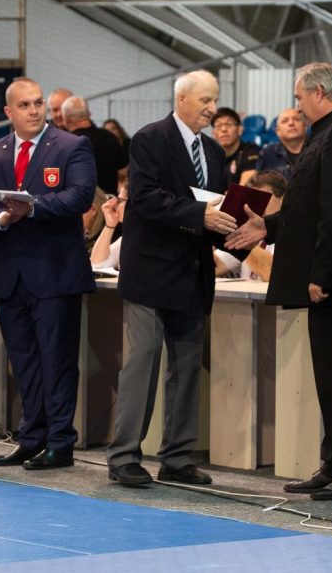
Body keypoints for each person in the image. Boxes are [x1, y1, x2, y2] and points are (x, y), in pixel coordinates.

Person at [227, 63, 332, 501]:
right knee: (329, 379)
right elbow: (311, 207)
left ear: (318, 92)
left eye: (298, 97)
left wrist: (322, 275)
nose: (296, 106)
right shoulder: (331, 130)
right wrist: (268, 226)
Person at [107, 70, 236, 487]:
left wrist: (238, 226)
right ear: (181, 99)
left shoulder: (213, 152)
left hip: (193, 273)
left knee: (186, 368)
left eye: (214, 100)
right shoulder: (150, 138)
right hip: (150, 272)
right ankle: (124, 457)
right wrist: (200, 215)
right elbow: (145, 197)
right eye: (205, 100)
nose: (212, 109)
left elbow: (219, 206)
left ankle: (177, 458)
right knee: (142, 363)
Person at [0, 77, 97, 470]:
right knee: (23, 360)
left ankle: (60, 441)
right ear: (8, 111)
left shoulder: (72, 145)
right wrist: (2, 219)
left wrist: (34, 207)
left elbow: (81, 195)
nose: (34, 110)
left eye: (38, 103)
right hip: (9, 272)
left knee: (57, 361)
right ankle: (31, 438)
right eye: (24, 105)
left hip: (55, 272)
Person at [213, 170, 285, 281]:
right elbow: (215, 266)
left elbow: (273, 274)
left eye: (264, 197)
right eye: (253, 198)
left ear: (283, 199)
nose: (257, 204)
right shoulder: (247, 229)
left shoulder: (291, 231)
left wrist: (246, 240)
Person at [63, 95, 127, 195]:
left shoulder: (66, 143)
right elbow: (123, 172)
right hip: (110, 201)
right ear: (89, 114)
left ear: (66, 119)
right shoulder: (110, 136)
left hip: (81, 201)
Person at [254, 107, 305, 182]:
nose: (291, 123)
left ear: (305, 126)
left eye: (297, 119)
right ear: (277, 131)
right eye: (285, 121)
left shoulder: (318, 149)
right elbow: (257, 183)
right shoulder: (267, 153)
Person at [212, 107, 260, 186]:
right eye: (218, 125)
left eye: (229, 124)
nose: (223, 129)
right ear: (213, 134)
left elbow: (244, 188)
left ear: (240, 130)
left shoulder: (251, 151)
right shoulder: (209, 154)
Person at [91, 185, 126, 271]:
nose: (115, 205)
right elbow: (97, 264)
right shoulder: (128, 237)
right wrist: (110, 225)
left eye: (120, 200)